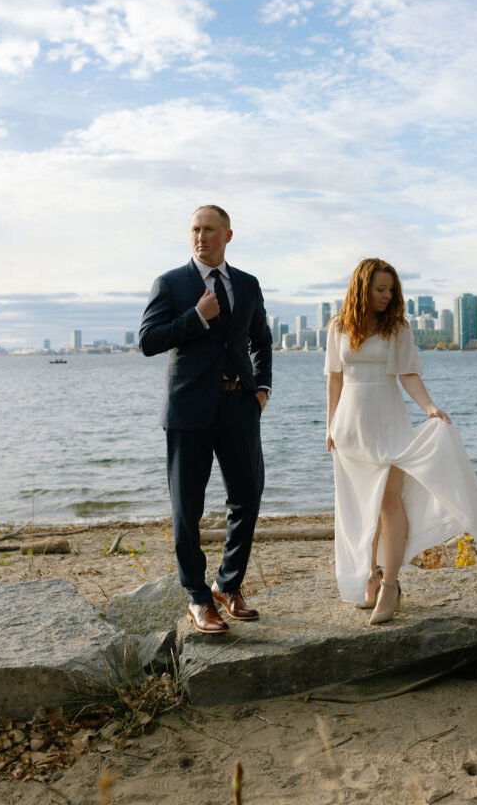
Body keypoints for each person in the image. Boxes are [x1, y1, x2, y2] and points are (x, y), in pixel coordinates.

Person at [325, 258, 477, 624]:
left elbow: (408, 375)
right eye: (380, 290)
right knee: (360, 507)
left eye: (391, 290)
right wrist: (330, 425)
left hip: (388, 423)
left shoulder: (397, 327)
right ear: (362, 289)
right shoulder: (338, 326)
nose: (387, 296)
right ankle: (367, 575)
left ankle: (390, 584)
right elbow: (335, 379)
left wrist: (431, 407)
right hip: (351, 427)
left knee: (389, 504)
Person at [139, 205, 272, 634]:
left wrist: (262, 389)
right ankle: (197, 598)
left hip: (239, 407)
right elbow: (148, 341)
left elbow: (261, 339)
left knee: (247, 496)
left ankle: (227, 585)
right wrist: (196, 317)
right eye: (195, 230)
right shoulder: (171, 282)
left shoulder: (248, 284)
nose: (201, 237)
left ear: (228, 236)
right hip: (188, 410)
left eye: (210, 230)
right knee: (187, 509)